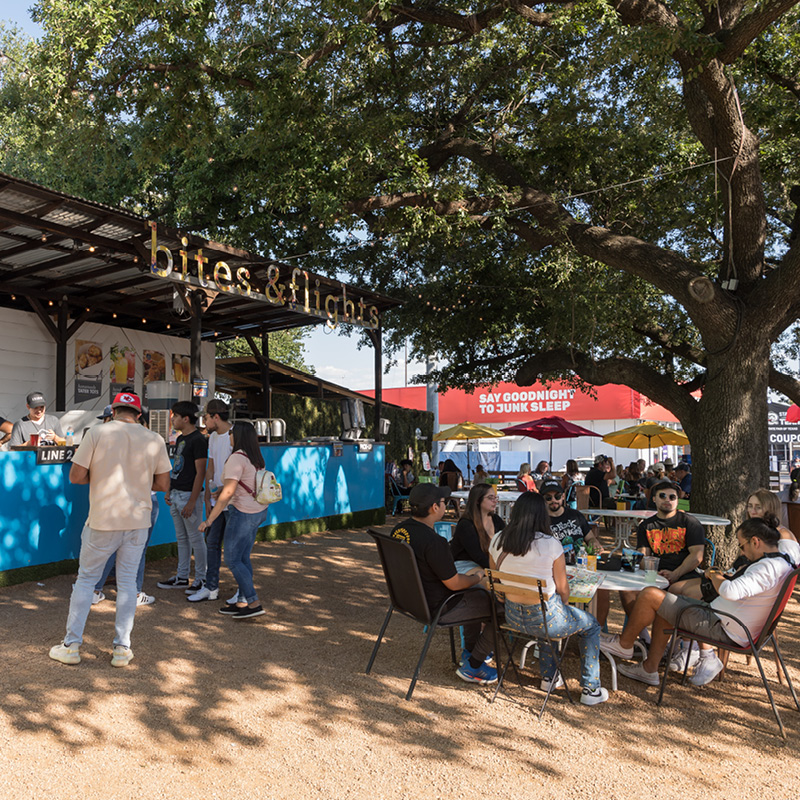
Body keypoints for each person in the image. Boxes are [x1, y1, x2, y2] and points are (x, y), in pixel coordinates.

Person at [48, 391, 171, 667]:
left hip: (103, 520)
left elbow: (76, 476)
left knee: (85, 581)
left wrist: (99, 478)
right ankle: (122, 648)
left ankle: (71, 645)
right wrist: (139, 484)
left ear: (113, 412)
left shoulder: (97, 433)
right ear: (139, 415)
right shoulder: (154, 438)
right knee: (128, 584)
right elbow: (163, 484)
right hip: (138, 520)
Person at [600, 516, 795, 687]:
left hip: (723, 626)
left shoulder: (766, 568)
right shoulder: (782, 560)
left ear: (756, 541)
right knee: (668, 604)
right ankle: (649, 669)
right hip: (727, 621)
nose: (742, 552)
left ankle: (624, 644)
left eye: (741, 546)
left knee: (650, 594)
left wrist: (714, 573)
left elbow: (730, 591)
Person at [488, 492, 608, 705]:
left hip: (512, 618)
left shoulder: (498, 539)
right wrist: (564, 605)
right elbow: (563, 589)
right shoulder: (550, 544)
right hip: (546, 620)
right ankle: (591, 689)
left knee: (549, 616)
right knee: (590, 625)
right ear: (541, 515)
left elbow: (496, 579)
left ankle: (549, 677)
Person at [390, 483, 498, 685]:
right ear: (434, 507)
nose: (445, 505)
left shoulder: (399, 530)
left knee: (475, 594)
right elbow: (455, 584)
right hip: (439, 606)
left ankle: (470, 651)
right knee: (498, 605)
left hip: (408, 600)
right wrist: (477, 577)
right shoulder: (434, 542)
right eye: (443, 502)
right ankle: (474, 665)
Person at [199, 421, 271, 619]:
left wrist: (209, 520)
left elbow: (229, 493)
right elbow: (243, 483)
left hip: (242, 513)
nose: (229, 436)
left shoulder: (236, 458)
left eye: (231, 433)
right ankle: (243, 601)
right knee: (243, 557)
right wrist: (224, 490)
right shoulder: (255, 458)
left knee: (232, 558)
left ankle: (253, 602)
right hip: (258, 511)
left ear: (238, 436)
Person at [158, 401, 208, 592]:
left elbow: (200, 473)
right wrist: (169, 490)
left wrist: (192, 501)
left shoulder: (198, 440)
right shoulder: (180, 439)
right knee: (181, 538)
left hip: (189, 496)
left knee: (195, 538)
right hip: (176, 494)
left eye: (176, 416)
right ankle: (182, 576)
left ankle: (202, 578)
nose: (173, 420)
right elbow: (177, 468)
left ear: (186, 418)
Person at [189, 398, 233, 603]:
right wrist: (207, 496)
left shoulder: (235, 435)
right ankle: (211, 587)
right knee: (212, 542)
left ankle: (244, 590)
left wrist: (224, 489)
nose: (204, 422)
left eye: (206, 417)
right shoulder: (213, 437)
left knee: (233, 548)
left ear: (216, 417)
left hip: (233, 501)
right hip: (216, 500)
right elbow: (211, 467)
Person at [450, 484, 505, 574]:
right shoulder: (466, 524)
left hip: (487, 564)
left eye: (495, 497)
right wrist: (499, 570)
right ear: (477, 500)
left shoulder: (496, 520)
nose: (495, 501)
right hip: (464, 564)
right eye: (490, 498)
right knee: (491, 578)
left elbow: (507, 543)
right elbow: (478, 556)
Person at [540, 480, 602, 555]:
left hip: (580, 559)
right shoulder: (539, 521)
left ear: (563, 496)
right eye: (548, 498)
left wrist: (593, 542)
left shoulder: (576, 515)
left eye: (557, 496)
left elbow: (590, 537)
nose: (553, 500)